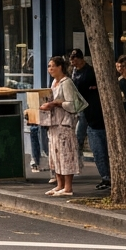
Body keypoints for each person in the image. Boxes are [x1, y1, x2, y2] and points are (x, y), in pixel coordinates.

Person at [40, 55, 84, 196]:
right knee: (55, 155)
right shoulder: (54, 83)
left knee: (66, 155)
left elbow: (72, 105)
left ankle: (68, 188)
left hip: (64, 124)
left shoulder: (67, 83)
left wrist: (55, 103)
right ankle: (59, 185)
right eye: (48, 66)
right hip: (53, 124)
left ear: (60, 67)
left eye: (52, 66)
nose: (50, 69)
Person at [70, 49, 108, 190]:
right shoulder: (74, 72)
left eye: (75, 59)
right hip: (81, 108)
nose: (73, 62)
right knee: (78, 138)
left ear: (81, 59)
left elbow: (89, 88)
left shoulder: (89, 71)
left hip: (91, 111)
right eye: (71, 59)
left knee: (95, 143)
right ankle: (78, 163)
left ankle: (106, 176)